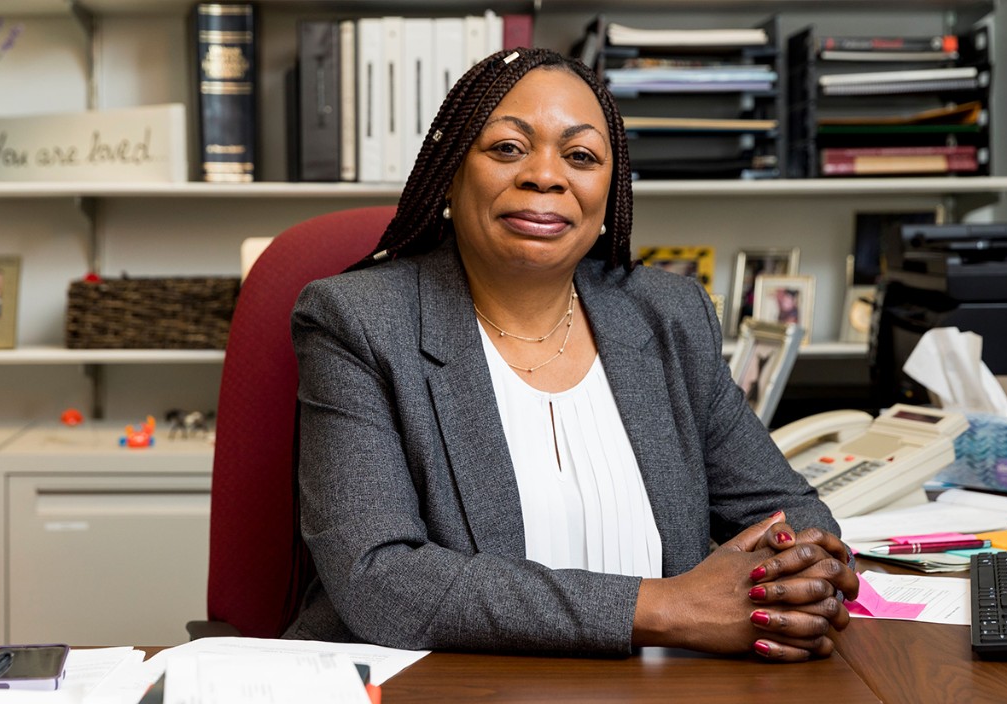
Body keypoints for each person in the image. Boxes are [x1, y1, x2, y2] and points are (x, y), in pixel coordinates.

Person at [286, 48, 858, 662]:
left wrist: (798, 574)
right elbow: (378, 578)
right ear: (451, 171)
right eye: (508, 148)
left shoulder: (668, 315)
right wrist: (667, 608)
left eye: (580, 156)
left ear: (610, 190)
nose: (545, 176)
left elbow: (789, 514)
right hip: (439, 686)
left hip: (665, 687)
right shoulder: (359, 321)